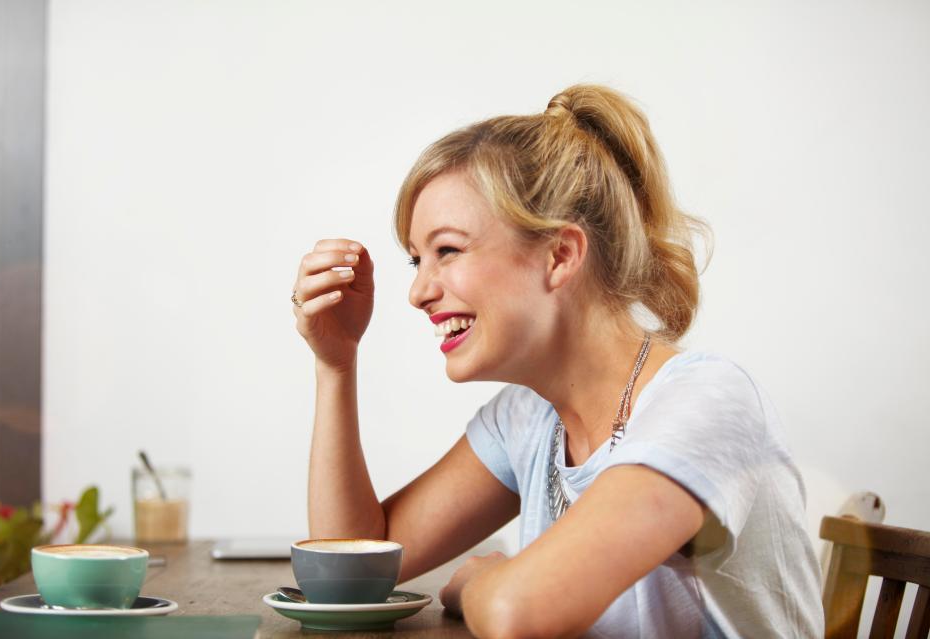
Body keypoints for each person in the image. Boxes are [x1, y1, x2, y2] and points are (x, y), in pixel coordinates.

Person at [291, 84, 824, 638]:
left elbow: (518, 613)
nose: (419, 292)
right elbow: (347, 573)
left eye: (447, 250)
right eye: (417, 260)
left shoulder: (708, 403)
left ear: (559, 256)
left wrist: (482, 580)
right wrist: (336, 364)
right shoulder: (527, 418)